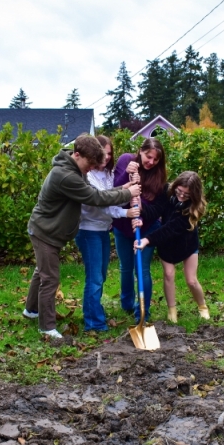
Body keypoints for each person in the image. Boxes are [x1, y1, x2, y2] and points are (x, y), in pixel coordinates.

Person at [24, 136, 141, 338]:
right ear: (77, 155)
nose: (92, 168)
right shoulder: (66, 176)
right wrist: (128, 194)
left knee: (41, 272)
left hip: (51, 230)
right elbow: (94, 198)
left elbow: (95, 191)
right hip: (45, 232)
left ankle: (31, 310)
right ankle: (47, 326)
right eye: (90, 163)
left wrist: (121, 189)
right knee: (50, 278)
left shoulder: (74, 169)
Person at [74, 136, 140, 332]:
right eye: (103, 153)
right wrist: (126, 213)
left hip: (102, 230)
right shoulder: (88, 176)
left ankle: (93, 313)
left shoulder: (106, 173)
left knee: (99, 276)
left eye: (110, 153)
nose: (106, 157)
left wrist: (126, 185)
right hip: (88, 230)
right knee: (94, 277)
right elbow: (102, 203)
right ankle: (94, 322)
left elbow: (112, 196)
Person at [133, 171, 209, 323]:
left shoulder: (193, 210)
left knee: (191, 280)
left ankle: (202, 306)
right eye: (179, 191)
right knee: (168, 274)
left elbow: (170, 228)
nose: (181, 196)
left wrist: (147, 240)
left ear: (193, 195)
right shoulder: (167, 192)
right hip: (167, 245)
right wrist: (141, 208)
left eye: (186, 195)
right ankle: (172, 311)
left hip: (187, 244)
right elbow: (155, 211)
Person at [112, 137, 168, 323]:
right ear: (140, 151)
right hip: (122, 227)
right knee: (126, 268)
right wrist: (126, 176)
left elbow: (157, 210)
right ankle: (126, 304)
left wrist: (141, 207)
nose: (151, 162)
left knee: (142, 270)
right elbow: (113, 192)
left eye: (155, 159)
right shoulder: (126, 160)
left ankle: (142, 312)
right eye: (148, 156)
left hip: (146, 229)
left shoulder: (160, 179)